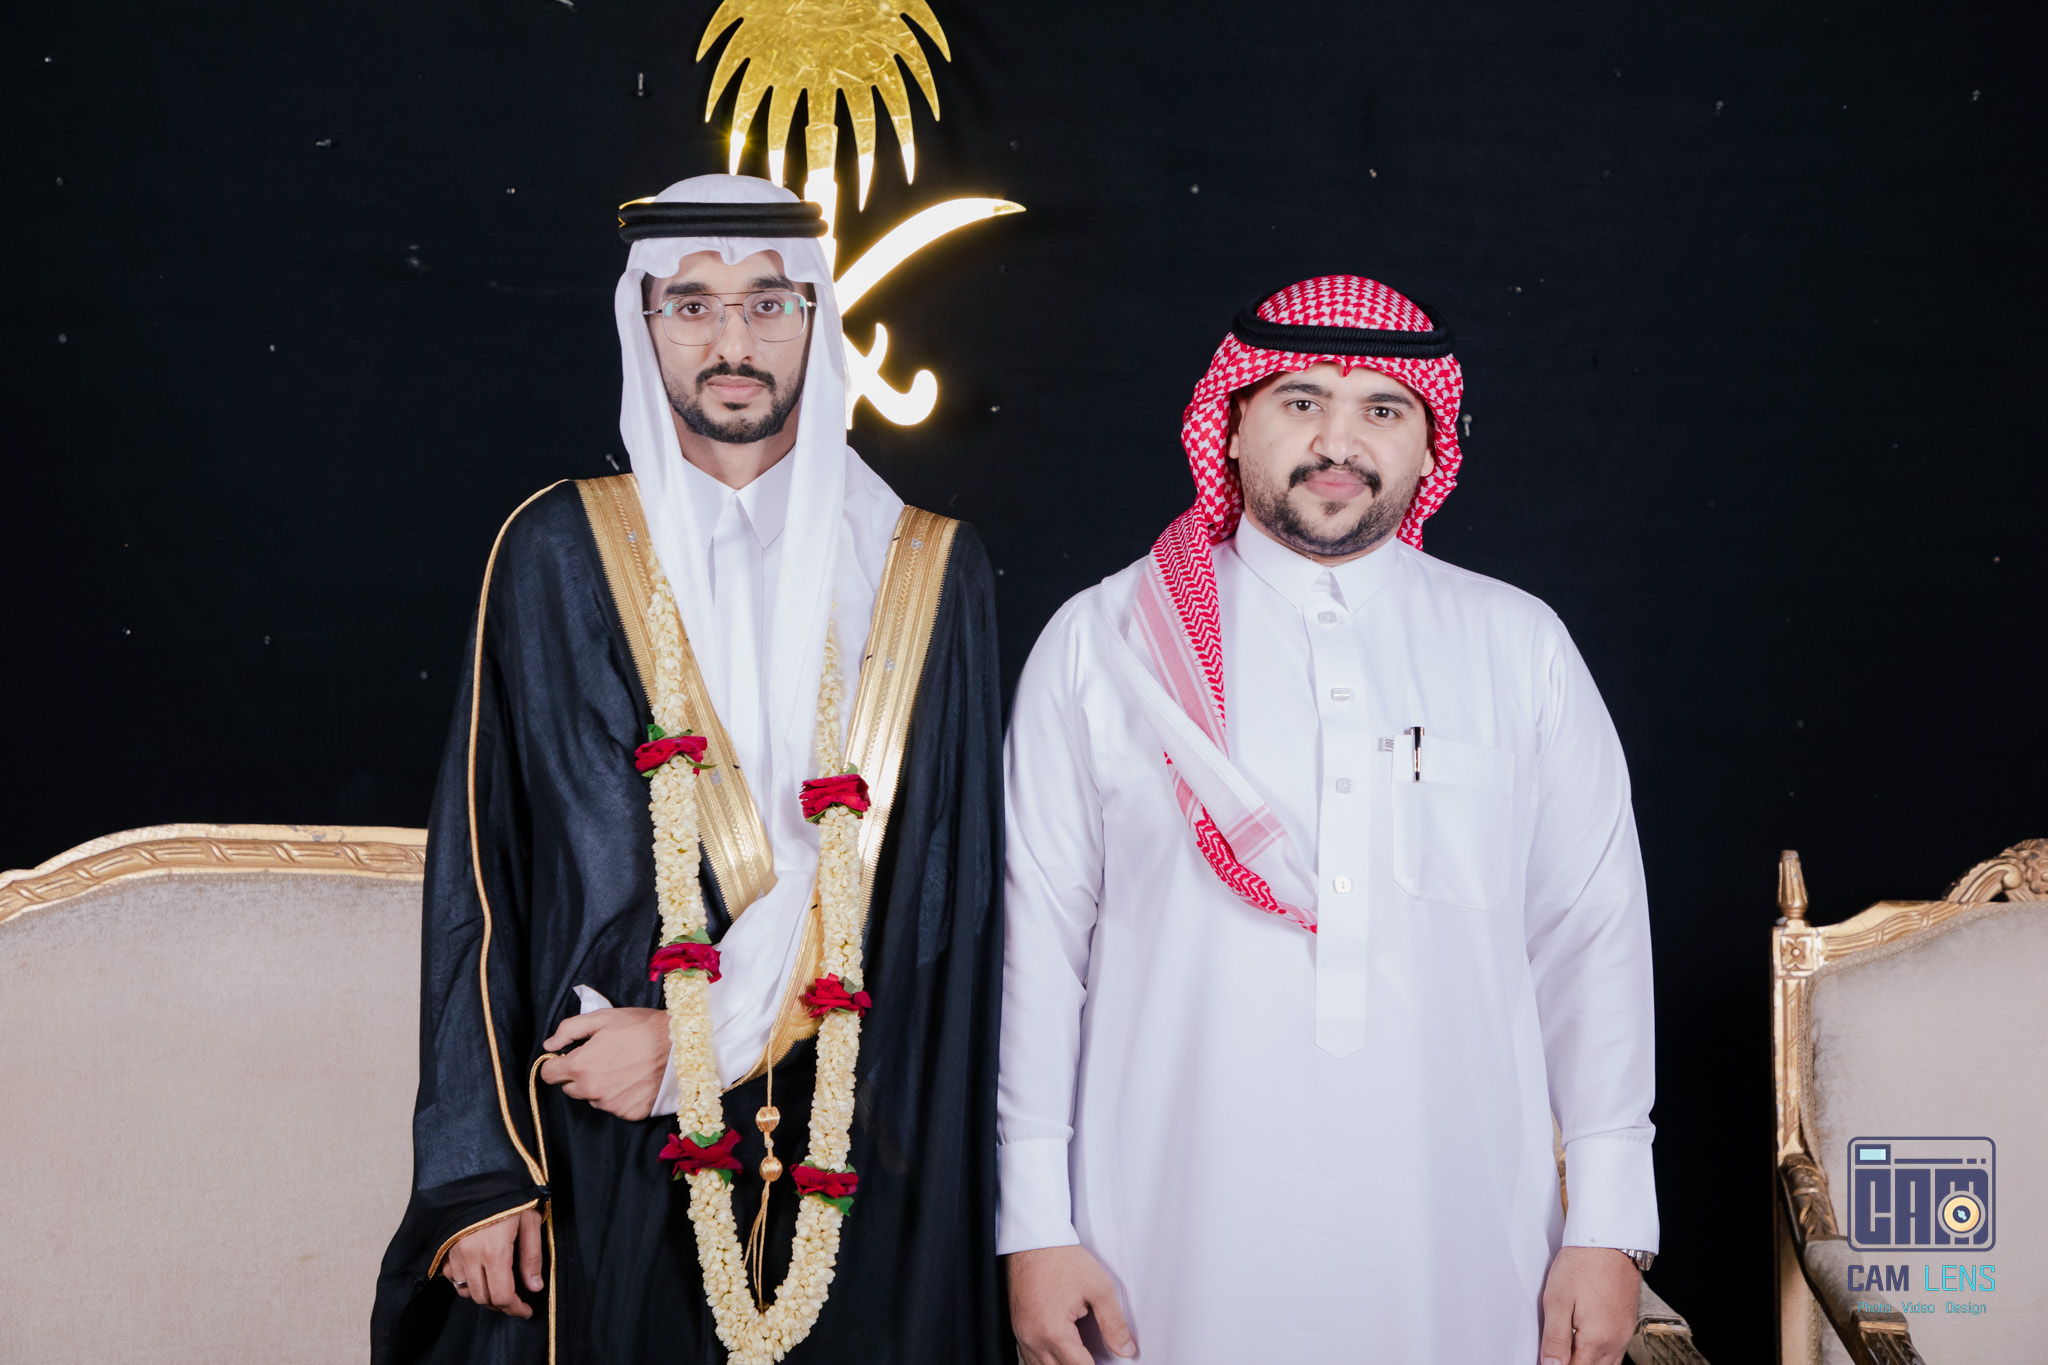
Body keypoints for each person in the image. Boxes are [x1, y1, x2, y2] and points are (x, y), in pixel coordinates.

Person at [372, 174, 1008, 1365]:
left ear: (817, 319)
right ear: (643, 321)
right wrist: (478, 1167)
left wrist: (704, 1034)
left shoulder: (923, 567)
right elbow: (483, 868)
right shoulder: (557, 550)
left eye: (768, 304)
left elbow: (944, 878)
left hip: (861, 1115)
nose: (732, 343)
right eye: (692, 305)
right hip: (598, 1126)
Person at [998, 276, 1658, 1364]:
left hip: (1466, 1246)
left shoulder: (1517, 643)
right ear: (1230, 423)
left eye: (1381, 410)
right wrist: (1033, 1221)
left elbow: (1592, 945)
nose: (1337, 443)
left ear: (1430, 444)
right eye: (1300, 401)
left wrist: (1608, 1224)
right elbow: (1037, 948)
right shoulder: (1103, 640)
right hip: (1156, 1242)